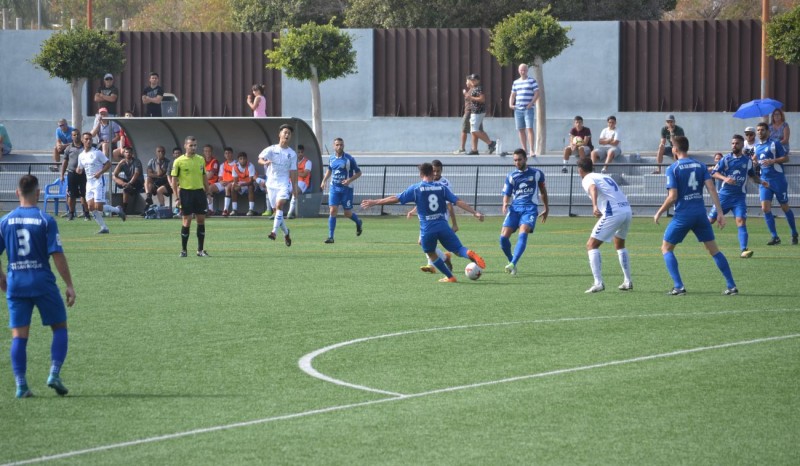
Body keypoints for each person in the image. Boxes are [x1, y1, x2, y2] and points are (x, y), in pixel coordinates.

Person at [0, 174, 76, 398]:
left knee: (19, 336)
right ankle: (54, 373)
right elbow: (57, 255)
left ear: (17, 193)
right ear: (38, 193)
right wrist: (69, 285)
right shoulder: (45, 220)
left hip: (16, 283)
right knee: (59, 327)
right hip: (42, 281)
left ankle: (21, 385)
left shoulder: (4, 221)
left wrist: (2, 277)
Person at [361, 162, 486, 283]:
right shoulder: (442, 188)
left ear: (421, 175)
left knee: (431, 253)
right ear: (432, 172)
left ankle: (450, 277)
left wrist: (375, 202)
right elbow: (457, 201)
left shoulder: (416, 189)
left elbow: (395, 198)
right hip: (443, 226)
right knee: (459, 249)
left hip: (428, 229)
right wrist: (475, 212)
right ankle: (470, 254)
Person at [653, 136, 738, 296]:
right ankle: (731, 286)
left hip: (683, 215)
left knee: (666, 248)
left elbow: (673, 196)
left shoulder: (673, 168)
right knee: (714, 250)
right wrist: (719, 212)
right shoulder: (700, 166)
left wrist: (659, 211)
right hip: (700, 214)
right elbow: (712, 188)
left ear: (675, 149)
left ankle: (678, 286)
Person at [577, 158, 633, 293]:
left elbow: (593, 188)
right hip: (626, 210)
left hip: (613, 212)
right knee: (619, 244)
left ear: (580, 170)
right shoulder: (603, 176)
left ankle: (598, 283)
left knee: (591, 245)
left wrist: (595, 205)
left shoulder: (587, 178)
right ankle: (627, 281)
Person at [709, 134, 767, 258]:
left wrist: (762, 181)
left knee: (741, 221)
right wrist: (725, 178)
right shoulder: (726, 159)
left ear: (742, 145)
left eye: (737, 143)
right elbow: (714, 172)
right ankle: (696, 231)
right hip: (724, 196)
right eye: (733, 143)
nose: (734, 145)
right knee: (710, 220)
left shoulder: (747, 161)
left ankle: (743, 250)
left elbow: (752, 176)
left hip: (739, 198)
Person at [500, 149, 549, 276]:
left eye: (519, 159)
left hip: (530, 209)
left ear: (526, 159)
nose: (517, 162)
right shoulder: (511, 176)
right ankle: (512, 261)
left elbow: (543, 192)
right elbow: (507, 193)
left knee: (523, 233)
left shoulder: (537, 173)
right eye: (515, 160)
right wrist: (505, 203)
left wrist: (546, 208)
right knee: (503, 239)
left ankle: (512, 263)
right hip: (515, 209)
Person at [407, 159, 456, 273]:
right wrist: (413, 210)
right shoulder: (428, 183)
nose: (435, 174)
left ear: (441, 171)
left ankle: (431, 265)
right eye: (433, 171)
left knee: (425, 240)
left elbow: (450, 204)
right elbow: (423, 200)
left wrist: (454, 223)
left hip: (440, 216)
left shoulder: (445, 184)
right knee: (422, 241)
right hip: (428, 216)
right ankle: (444, 258)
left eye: (438, 171)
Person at [754, 122, 798, 245]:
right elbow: (756, 160)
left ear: (768, 132)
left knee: (784, 207)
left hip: (778, 180)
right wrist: (754, 163)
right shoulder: (756, 147)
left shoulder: (775, 143)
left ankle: (794, 232)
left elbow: (786, 158)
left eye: (762, 130)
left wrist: (773, 160)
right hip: (764, 181)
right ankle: (775, 237)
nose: (760, 132)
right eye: (758, 130)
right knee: (765, 208)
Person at [76, 132, 126, 234]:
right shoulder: (81, 155)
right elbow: (80, 167)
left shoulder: (97, 153)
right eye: (86, 139)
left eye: (90, 139)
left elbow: (108, 164)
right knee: (90, 207)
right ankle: (104, 227)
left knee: (98, 207)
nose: (89, 141)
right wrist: (78, 170)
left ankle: (117, 209)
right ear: (82, 140)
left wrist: (100, 173)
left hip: (98, 181)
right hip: (89, 183)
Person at [258, 124, 298, 246]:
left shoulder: (292, 154)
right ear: (279, 134)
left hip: (283, 183)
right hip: (271, 183)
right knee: (277, 213)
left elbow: (292, 171)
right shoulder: (272, 149)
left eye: (289, 133)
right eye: (285, 132)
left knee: (279, 205)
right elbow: (260, 158)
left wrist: (294, 188)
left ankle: (274, 232)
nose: (287, 135)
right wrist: (265, 161)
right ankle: (286, 232)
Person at [170, 136, 210, 257]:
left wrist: (208, 192)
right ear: (185, 146)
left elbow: (204, 177)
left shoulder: (200, 159)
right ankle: (183, 250)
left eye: (195, 145)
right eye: (191, 145)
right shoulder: (178, 161)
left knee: (201, 221)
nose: (193, 148)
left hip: (199, 193)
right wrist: (177, 197)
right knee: (186, 221)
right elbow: (174, 181)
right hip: (185, 193)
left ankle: (200, 250)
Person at [320, 137, 362, 243]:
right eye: (337, 145)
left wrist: (349, 180)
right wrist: (324, 180)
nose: (339, 147)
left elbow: (358, 173)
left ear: (343, 146)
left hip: (346, 190)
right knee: (333, 210)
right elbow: (329, 170)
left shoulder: (349, 159)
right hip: (334, 188)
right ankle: (331, 237)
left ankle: (358, 222)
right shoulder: (331, 158)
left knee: (347, 213)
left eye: (341, 145)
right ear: (334, 146)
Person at [509, 63, 539, 157]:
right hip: (518, 109)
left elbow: (537, 93)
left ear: (527, 70)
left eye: (524, 70)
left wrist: (531, 104)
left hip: (528, 109)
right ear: (519, 71)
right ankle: (524, 150)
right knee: (521, 129)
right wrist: (510, 104)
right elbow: (513, 95)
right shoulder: (515, 82)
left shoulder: (532, 81)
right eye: (521, 70)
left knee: (529, 128)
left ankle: (532, 150)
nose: (523, 72)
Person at [59, 128, 90, 221]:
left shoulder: (85, 147)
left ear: (80, 136)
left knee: (83, 195)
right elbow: (65, 161)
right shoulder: (69, 148)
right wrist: (62, 174)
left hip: (83, 174)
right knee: (71, 195)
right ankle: (71, 214)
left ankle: (86, 214)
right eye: (74, 135)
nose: (76, 136)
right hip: (72, 174)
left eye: (77, 134)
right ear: (71, 136)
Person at [464, 74, 496, 155]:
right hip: (475, 111)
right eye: (472, 80)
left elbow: (482, 99)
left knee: (474, 130)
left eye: (474, 80)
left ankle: (490, 143)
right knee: (473, 131)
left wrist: (470, 98)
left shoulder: (479, 88)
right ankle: (474, 149)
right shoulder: (474, 88)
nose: (473, 81)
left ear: (478, 80)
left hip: (478, 111)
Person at [453, 75, 483, 155]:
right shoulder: (472, 89)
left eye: (467, 81)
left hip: (469, 112)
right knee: (475, 131)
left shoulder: (473, 90)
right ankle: (474, 149)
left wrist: (465, 93)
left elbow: (472, 98)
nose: (466, 83)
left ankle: (462, 148)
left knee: (464, 130)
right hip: (473, 112)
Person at [112, 146, 145, 214]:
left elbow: (136, 174)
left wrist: (130, 183)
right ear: (124, 153)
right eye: (127, 152)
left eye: (130, 152)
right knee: (114, 177)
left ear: (132, 153)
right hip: (127, 183)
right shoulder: (123, 162)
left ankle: (124, 209)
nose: (128, 154)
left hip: (137, 182)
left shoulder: (136, 161)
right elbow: (115, 174)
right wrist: (119, 164)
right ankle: (125, 185)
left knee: (125, 189)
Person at [287, 144, 312, 219]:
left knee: (295, 191)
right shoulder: (291, 161)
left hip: (302, 182)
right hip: (290, 181)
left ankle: (289, 213)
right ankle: (275, 212)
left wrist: (294, 172)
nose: (300, 154)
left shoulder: (308, 162)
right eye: (298, 152)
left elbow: (304, 174)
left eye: (301, 152)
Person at [231, 151, 258, 216]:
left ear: (246, 159)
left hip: (250, 183)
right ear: (238, 160)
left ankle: (251, 210)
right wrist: (236, 186)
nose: (242, 160)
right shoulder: (235, 166)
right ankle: (234, 210)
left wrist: (242, 185)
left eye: (244, 158)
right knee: (233, 188)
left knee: (251, 187)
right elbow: (235, 181)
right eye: (241, 159)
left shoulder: (250, 165)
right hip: (241, 184)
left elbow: (251, 181)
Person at [202, 145, 222, 215]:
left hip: (213, 182)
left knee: (207, 188)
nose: (207, 153)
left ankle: (210, 210)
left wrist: (203, 175)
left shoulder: (214, 161)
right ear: (203, 152)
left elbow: (210, 176)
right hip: (203, 182)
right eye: (205, 151)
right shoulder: (201, 161)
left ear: (211, 152)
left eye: (209, 151)